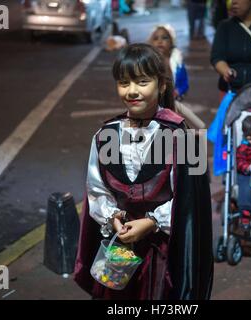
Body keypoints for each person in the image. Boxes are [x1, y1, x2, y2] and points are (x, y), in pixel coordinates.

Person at [73, 43, 213, 300]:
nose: (132, 91)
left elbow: (191, 205)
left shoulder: (184, 137)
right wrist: (112, 217)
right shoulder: (105, 135)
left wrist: (151, 222)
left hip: (162, 254)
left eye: (142, 81)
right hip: (118, 250)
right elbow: (96, 189)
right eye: (124, 83)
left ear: (161, 86)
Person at [148, 24, 206, 130]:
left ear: (171, 42)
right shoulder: (148, 62)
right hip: (152, 106)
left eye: (164, 38)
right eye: (156, 38)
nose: (160, 41)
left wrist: (178, 91)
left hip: (173, 104)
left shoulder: (177, 62)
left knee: (173, 129)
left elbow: (184, 83)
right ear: (151, 43)